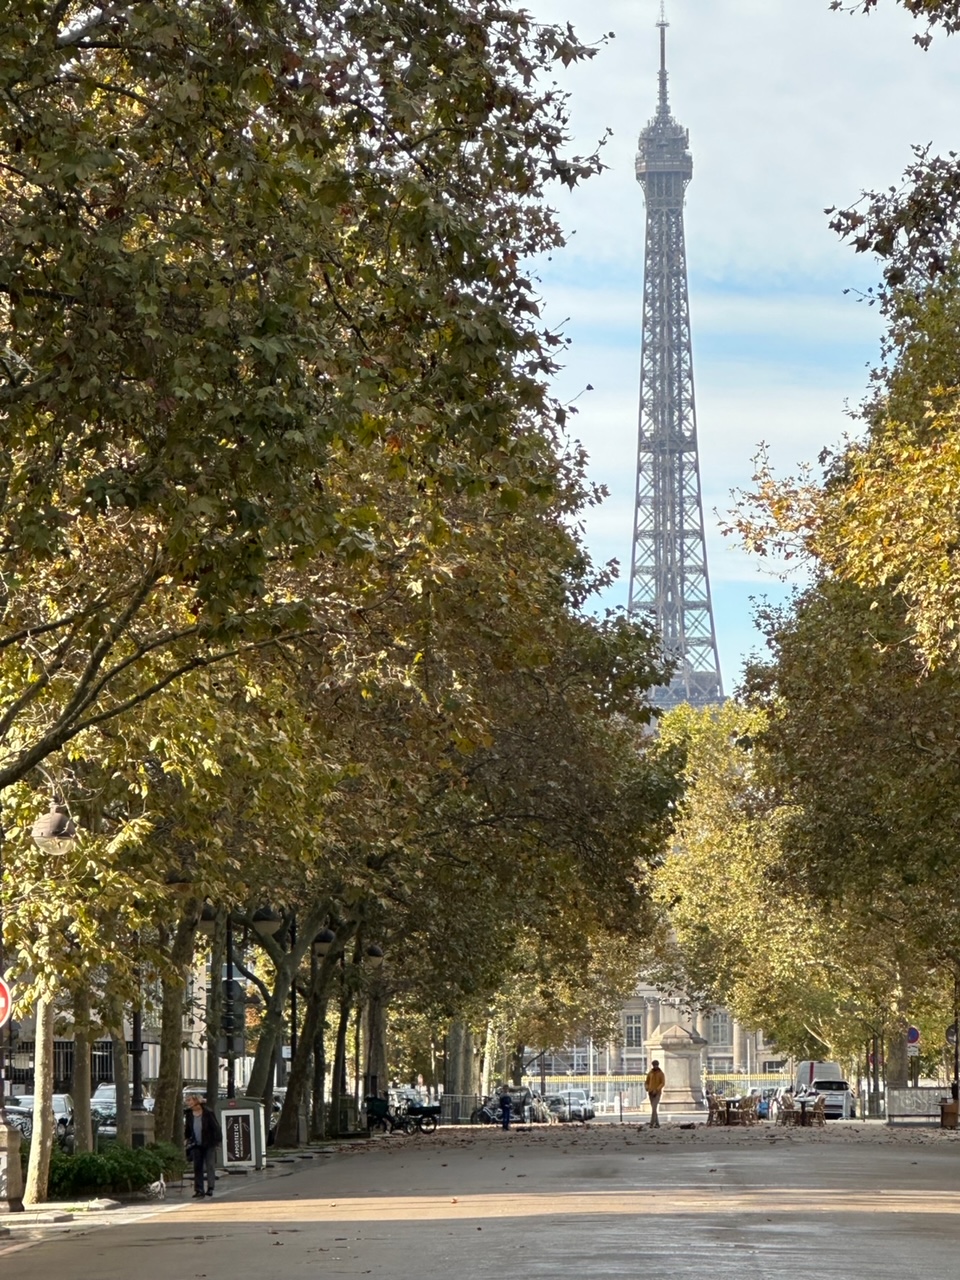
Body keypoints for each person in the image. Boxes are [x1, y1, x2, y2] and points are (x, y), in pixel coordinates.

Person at [184, 1093, 222, 1199]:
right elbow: (188, 1128)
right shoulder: (189, 1114)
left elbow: (216, 1128)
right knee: (197, 1167)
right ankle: (199, 1189)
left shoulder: (208, 1113)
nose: (187, 1102)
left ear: (196, 1101)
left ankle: (210, 1187)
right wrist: (186, 1139)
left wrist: (218, 1141)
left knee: (210, 1165)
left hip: (209, 1143)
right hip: (196, 1143)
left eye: (189, 1100)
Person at [645, 1059, 666, 1129]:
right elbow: (646, 1082)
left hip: (657, 1093)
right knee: (654, 1109)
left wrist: (657, 1089)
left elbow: (662, 1083)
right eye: (654, 1065)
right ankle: (657, 1124)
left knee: (654, 1108)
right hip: (650, 1092)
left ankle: (651, 1123)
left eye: (656, 1065)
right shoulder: (650, 1073)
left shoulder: (661, 1073)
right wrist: (647, 1087)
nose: (655, 1066)